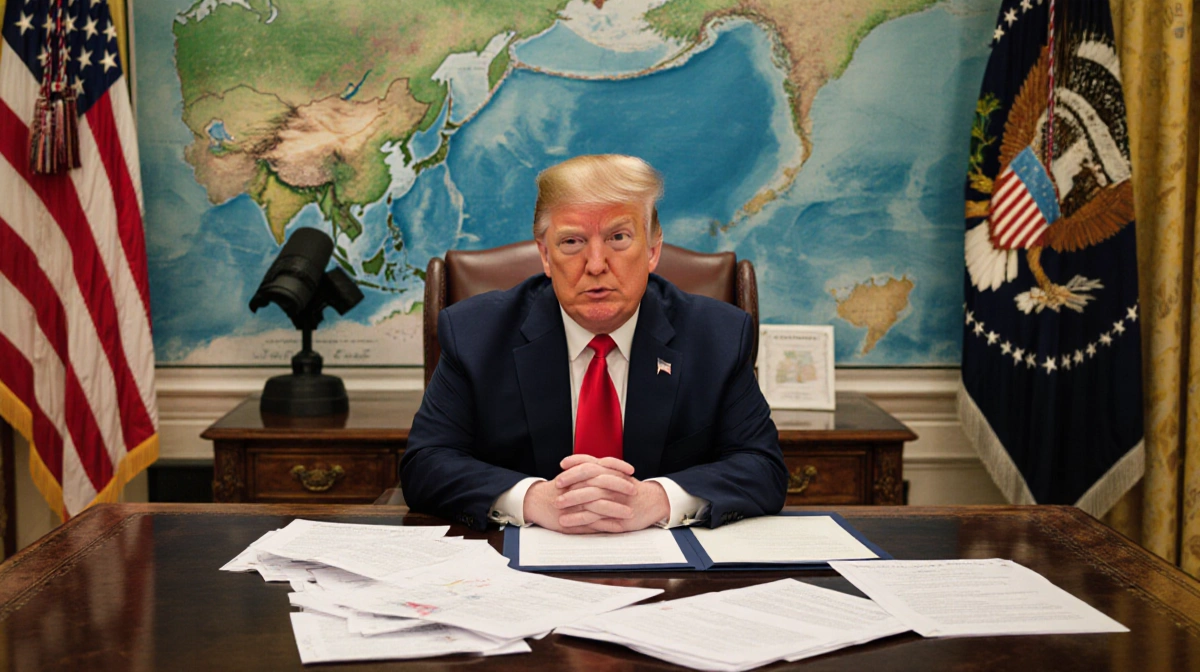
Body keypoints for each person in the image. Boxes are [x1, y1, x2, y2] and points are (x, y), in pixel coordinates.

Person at [401, 154, 786, 533]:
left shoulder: (717, 336)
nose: (596, 264)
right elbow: (425, 463)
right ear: (545, 255)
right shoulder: (475, 334)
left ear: (652, 250)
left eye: (618, 238)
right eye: (572, 241)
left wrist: (657, 499)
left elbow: (762, 467)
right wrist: (534, 500)